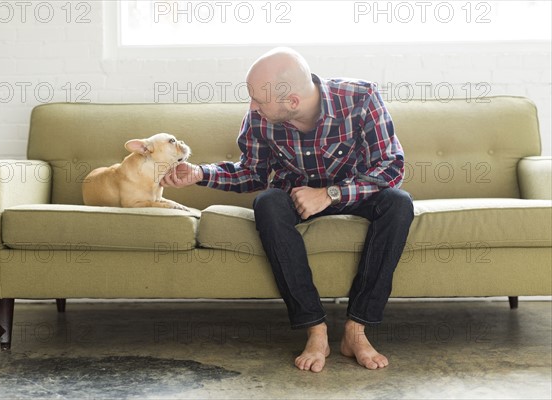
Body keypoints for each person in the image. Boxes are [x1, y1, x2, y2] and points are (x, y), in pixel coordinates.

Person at [162, 47, 414, 372]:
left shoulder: (361, 97)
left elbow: (391, 166)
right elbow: (251, 171)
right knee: (267, 202)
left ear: (292, 102)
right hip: (295, 198)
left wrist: (330, 193)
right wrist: (200, 173)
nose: (252, 106)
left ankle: (356, 329)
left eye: (258, 99)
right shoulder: (260, 117)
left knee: (399, 202)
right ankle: (315, 329)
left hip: (355, 194)